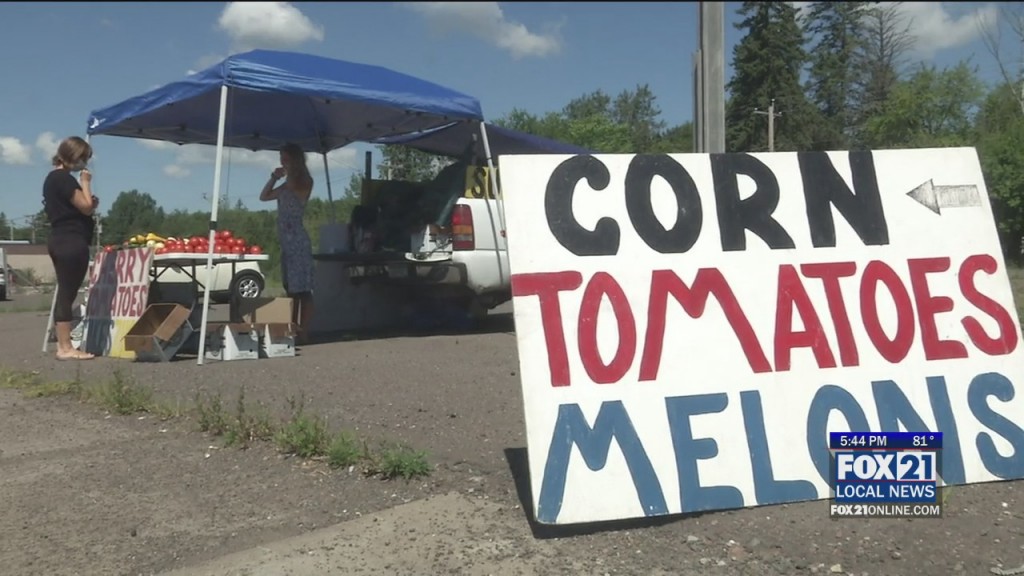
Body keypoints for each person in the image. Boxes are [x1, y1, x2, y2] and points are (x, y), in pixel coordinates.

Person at [43, 136, 100, 361]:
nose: (84, 164)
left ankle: (63, 344)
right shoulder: (64, 179)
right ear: (74, 157)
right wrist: (85, 182)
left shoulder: (52, 179)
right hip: (71, 241)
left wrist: (89, 203)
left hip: (59, 239)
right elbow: (85, 207)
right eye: (83, 159)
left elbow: (80, 206)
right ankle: (65, 347)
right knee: (67, 293)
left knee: (65, 292)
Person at [260, 142, 315, 343]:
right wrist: (273, 177)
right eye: (281, 158)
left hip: (297, 241)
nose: (283, 162)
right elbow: (264, 197)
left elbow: (294, 187)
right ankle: (293, 327)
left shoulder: (303, 181)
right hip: (287, 241)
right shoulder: (286, 183)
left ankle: (303, 330)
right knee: (291, 288)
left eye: (286, 158)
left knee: (302, 290)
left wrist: (286, 175)